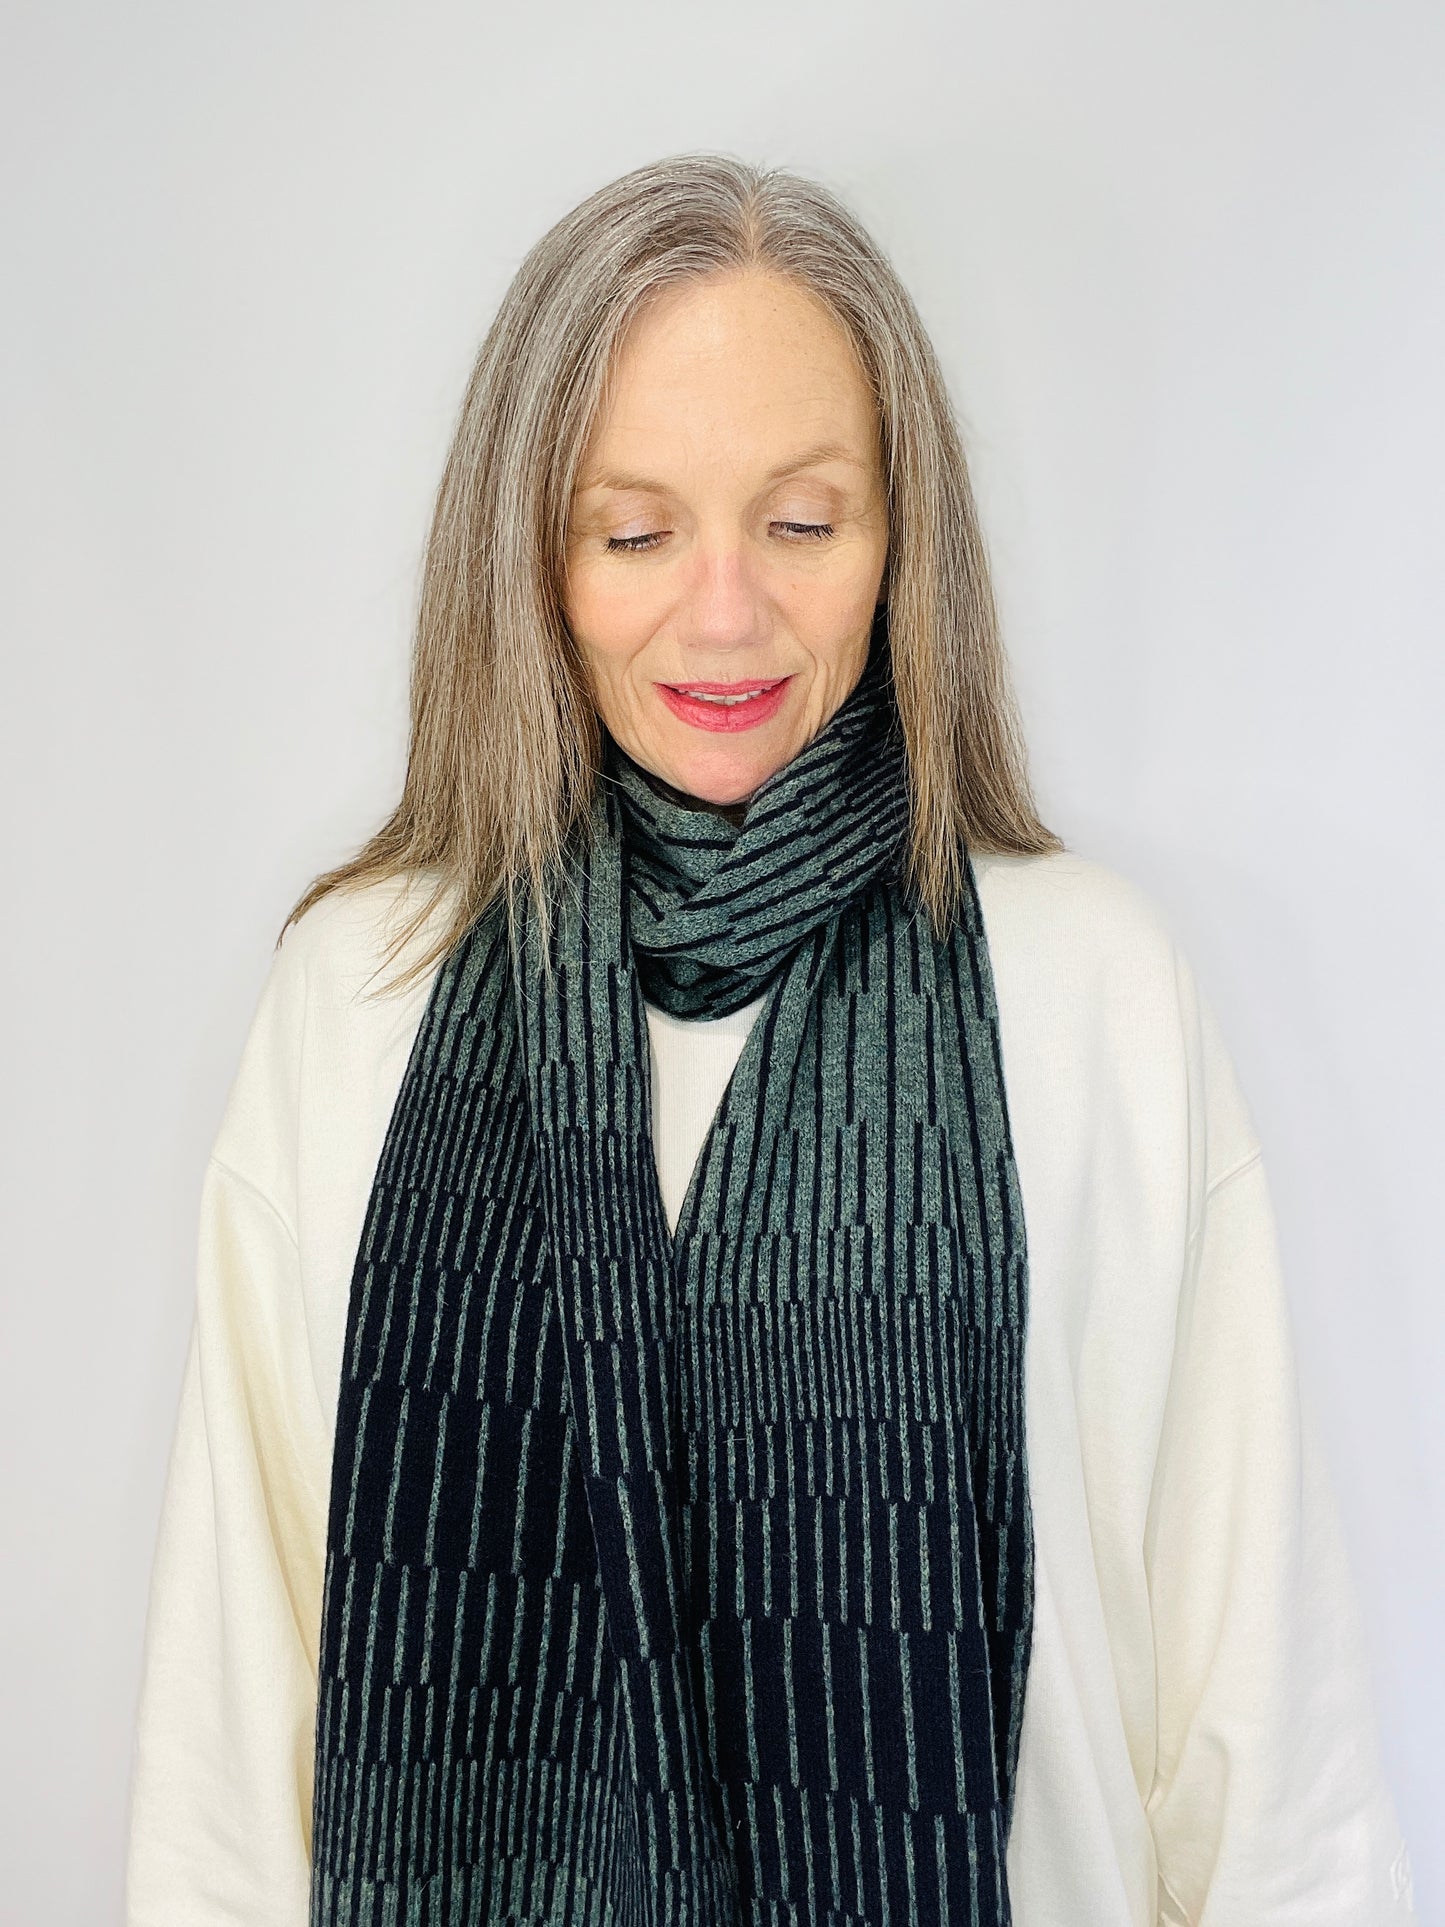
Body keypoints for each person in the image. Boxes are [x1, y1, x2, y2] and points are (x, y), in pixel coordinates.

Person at [123, 154, 1416, 1926]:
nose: (721, 613)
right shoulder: (357, 999)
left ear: (901, 541)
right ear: (531, 554)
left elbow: (1258, 1738)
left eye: (801, 524)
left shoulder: (1085, 985)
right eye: (634, 530)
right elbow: (228, 1733)